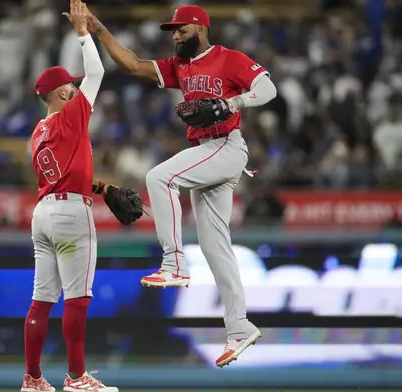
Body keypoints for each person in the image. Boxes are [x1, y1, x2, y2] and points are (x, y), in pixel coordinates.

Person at [85, 4, 277, 367]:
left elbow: (268, 89)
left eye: (180, 29)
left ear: (201, 28)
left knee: (159, 176)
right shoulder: (181, 67)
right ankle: (240, 327)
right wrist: (99, 30)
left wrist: (232, 101)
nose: (174, 35)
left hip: (225, 144)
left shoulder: (228, 58)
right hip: (206, 150)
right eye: (172, 30)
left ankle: (174, 262)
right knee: (214, 244)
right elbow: (132, 64)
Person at [21, 1, 118, 391]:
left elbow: (62, 175)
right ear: (60, 92)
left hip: (43, 214)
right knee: (77, 298)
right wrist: (83, 33)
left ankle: (33, 379)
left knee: (41, 301)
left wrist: (101, 187)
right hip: (71, 215)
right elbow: (97, 71)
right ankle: (77, 379)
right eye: (70, 85)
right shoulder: (70, 115)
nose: (76, 86)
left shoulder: (37, 132)